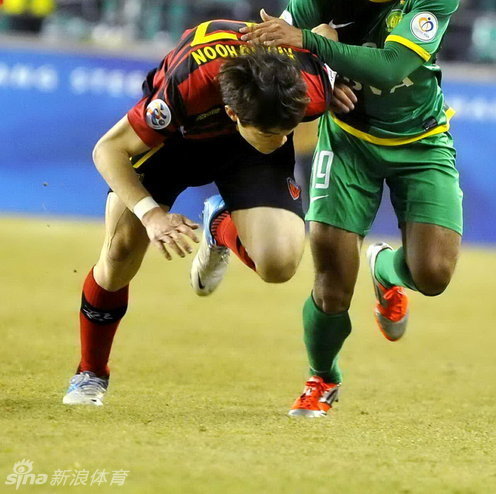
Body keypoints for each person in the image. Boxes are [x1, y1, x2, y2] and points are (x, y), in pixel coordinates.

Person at [239, 0, 463, 418]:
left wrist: (314, 45)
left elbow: (391, 66)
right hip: (349, 144)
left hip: (421, 141)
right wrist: (322, 77)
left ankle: (388, 269)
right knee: (332, 285)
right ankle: (322, 378)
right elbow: (281, 55)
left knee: (433, 275)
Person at [61, 20, 335, 407]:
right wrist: (151, 216)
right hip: (175, 142)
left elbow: (327, 34)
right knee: (120, 252)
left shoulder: (309, 87)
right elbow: (107, 150)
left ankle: (218, 224)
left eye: (288, 130)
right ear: (231, 112)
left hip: (249, 144)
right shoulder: (186, 84)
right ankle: (90, 372)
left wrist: (341, 78)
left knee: (279, 265)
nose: (282, 142)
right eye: (273, 134)